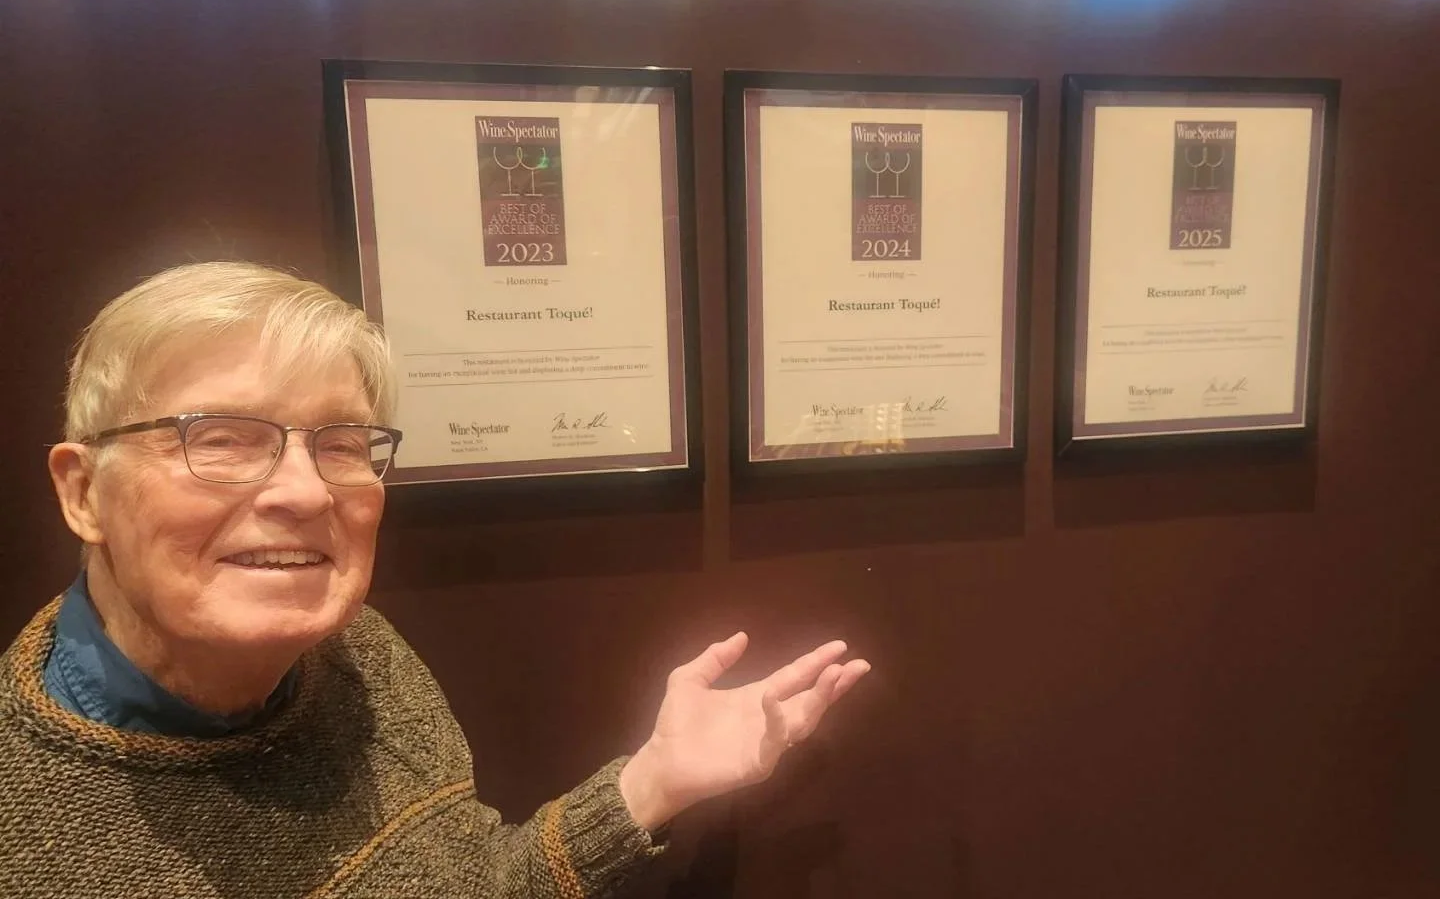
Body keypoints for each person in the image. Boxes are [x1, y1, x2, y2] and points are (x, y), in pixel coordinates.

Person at [0, 261, 870, 898]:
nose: (306, 491)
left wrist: (652, 784)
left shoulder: (359, 656)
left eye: (343, 444)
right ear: (83, 491)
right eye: (221, 439)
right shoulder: (26, 826)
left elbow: (461, 884)